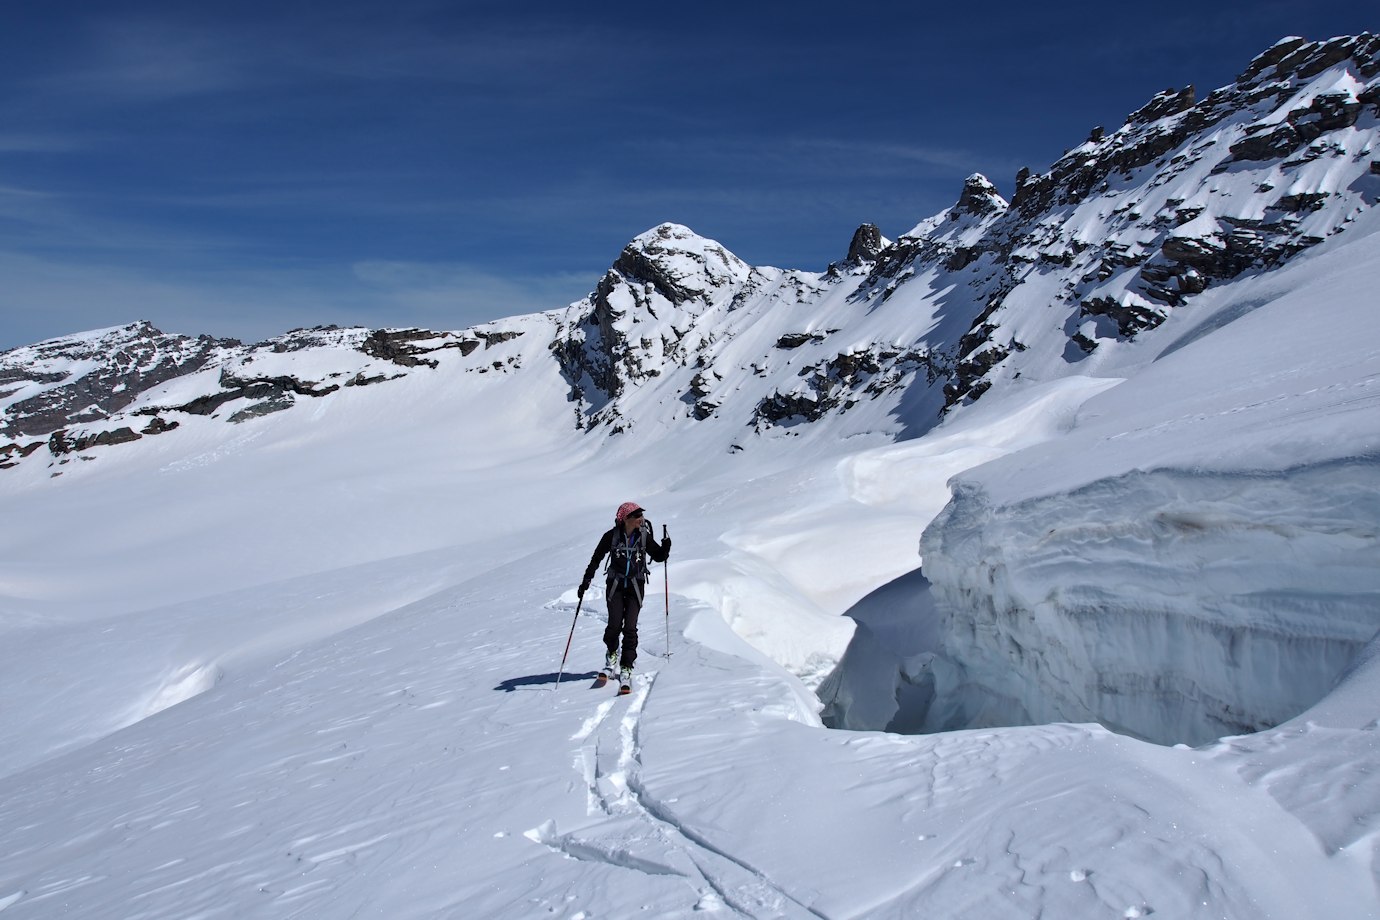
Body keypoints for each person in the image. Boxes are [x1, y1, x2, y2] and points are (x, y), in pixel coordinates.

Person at [579, 502, 671, 689]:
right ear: (626, 518)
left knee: (630, 626)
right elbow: (596, 558)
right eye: (637, 516)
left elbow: (659, 556)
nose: (641, 519)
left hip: (635, 586)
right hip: (615, 585)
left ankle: (627, 665)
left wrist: (666, 547)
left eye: (641, 516)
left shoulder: (644, 537)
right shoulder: (611, 537)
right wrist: (586, 580)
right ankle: (612, 653)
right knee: (614, 624)